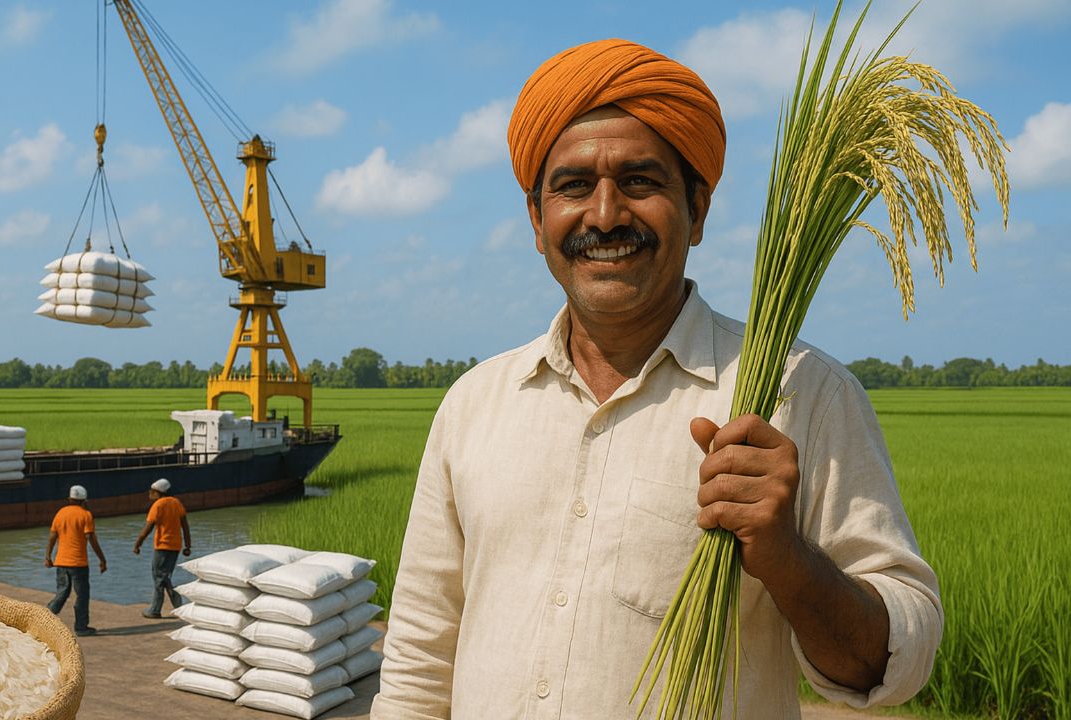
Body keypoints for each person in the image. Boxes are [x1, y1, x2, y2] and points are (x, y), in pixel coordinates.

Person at [371, 39, 942, 719]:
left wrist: (787, 557)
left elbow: (896, 661)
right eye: (574, 186)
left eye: (640, 182)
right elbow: (419, 659)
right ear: (536, 220)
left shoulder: (798, 393)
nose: (606, 215)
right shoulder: (474, 405)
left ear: (697, 210)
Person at [45, 484, 107, 637]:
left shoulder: (60, 513)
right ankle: (81, 627)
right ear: (84, 500)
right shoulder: (85, 515)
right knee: (82, 595)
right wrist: (102, 559)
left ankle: (44, 621)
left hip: (61, 561)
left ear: (69, 499)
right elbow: (92, 539)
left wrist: (48, 556)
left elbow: (53, 536)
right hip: (78, 563)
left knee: (62, 593)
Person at [133, 477, 191, 618]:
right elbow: (185, 526)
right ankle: (178, 606)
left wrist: (138, 543)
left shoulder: (158, 505)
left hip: (162, 546)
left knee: (159, 577)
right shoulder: (177, 503)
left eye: (151, 492)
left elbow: (148, 527)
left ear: (157, 492)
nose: (149, 494)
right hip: (175, 546)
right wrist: (188, 545)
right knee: (165, 576)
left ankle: (155, 609)